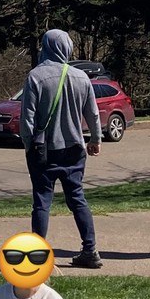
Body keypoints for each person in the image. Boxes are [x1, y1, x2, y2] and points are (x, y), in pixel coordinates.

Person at [18, 28, 103, 269]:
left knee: (42, 202)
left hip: (44, 150)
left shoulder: (36, 77)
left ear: (46, 47)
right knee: (77, 198)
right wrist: (95, 139)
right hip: (74, 148)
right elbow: (93, 114)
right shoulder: (81, 77)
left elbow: (27, 119)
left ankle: (38, 257)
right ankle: (90, 250)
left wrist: (28, 144)